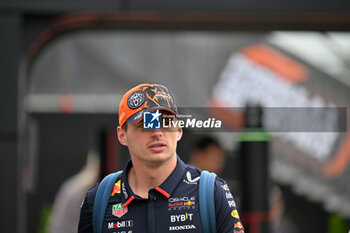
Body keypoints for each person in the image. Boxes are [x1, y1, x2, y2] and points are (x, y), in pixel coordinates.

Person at [78, 83, 244, 233]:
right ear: (122, 135)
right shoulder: (99, 199)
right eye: (145, 124)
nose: (157, 133)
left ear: (179, 130)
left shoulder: (212, 191)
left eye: (165, 122)